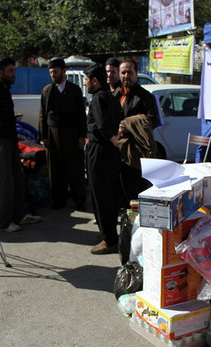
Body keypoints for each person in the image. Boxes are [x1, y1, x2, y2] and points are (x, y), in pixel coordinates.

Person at [0, 56, 41, 232]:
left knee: (18, 178)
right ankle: (4, 222)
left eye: (14, 70)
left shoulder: (4, 89)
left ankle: (20, 215)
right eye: (10, 71)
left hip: (10, 139)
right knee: (4, 182)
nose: (14, 74)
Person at [39, 57, 87, 210]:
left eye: (56, 72)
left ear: (64, 72)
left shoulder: (74, 90)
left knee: (75, 169)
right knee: (55, 169)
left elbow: (81, 115)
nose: (54, 75)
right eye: (51, 72)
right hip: (53, 134)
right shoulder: (47, 90)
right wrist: (43, 136)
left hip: (72, 134)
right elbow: (43, 114)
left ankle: (79, 201)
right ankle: (58, 200)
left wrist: (81, 136)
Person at [83, 64, 121, 255]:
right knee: (108, 195)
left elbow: (103, 125)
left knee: (101, 196)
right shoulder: (110, 97)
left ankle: (110, 240)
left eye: (86, 80)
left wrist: (111, 138)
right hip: (109, 153)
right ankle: (108, 232)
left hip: (99, 151)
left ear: (95, 81)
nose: (85, 84)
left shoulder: (99, 98)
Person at [115, 59, 160, 205]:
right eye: (123, 72)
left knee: (135, 190)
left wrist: (128, 125)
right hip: (116, 150)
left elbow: (153, 120)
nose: (126, 76)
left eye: (130, 72)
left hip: (135, 153)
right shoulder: (115, 94)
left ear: (136, 74)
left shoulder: (145, 96)